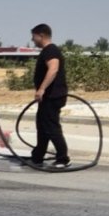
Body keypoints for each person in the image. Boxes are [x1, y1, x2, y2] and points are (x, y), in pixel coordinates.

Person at [30, 24, 70, 168]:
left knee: (51, 127)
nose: (32, 39)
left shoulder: (50, 50)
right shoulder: (48, 51)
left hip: (52, 96)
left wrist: (41, 89)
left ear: (41, 35)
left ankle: (62, 158)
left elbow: (53, 69)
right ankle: (37, 156)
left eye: (33, 36)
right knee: (42, 125)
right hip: (48, 97)